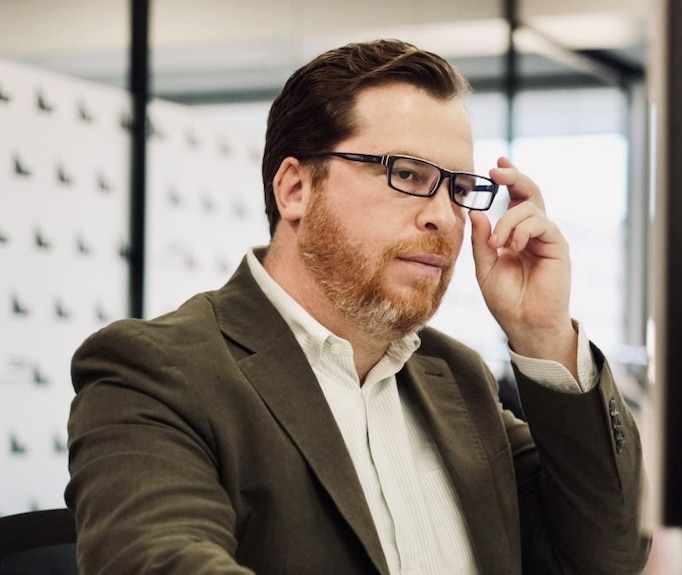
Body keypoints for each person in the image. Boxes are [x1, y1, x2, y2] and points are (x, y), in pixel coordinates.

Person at [65, 39, 651, 574]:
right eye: (408, 174)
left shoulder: (456, 380)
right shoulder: (153, 373)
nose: (443, 217)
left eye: (457, 188)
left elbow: (608, 555)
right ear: (295, 189)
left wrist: (542, 333)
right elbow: (160, 563)